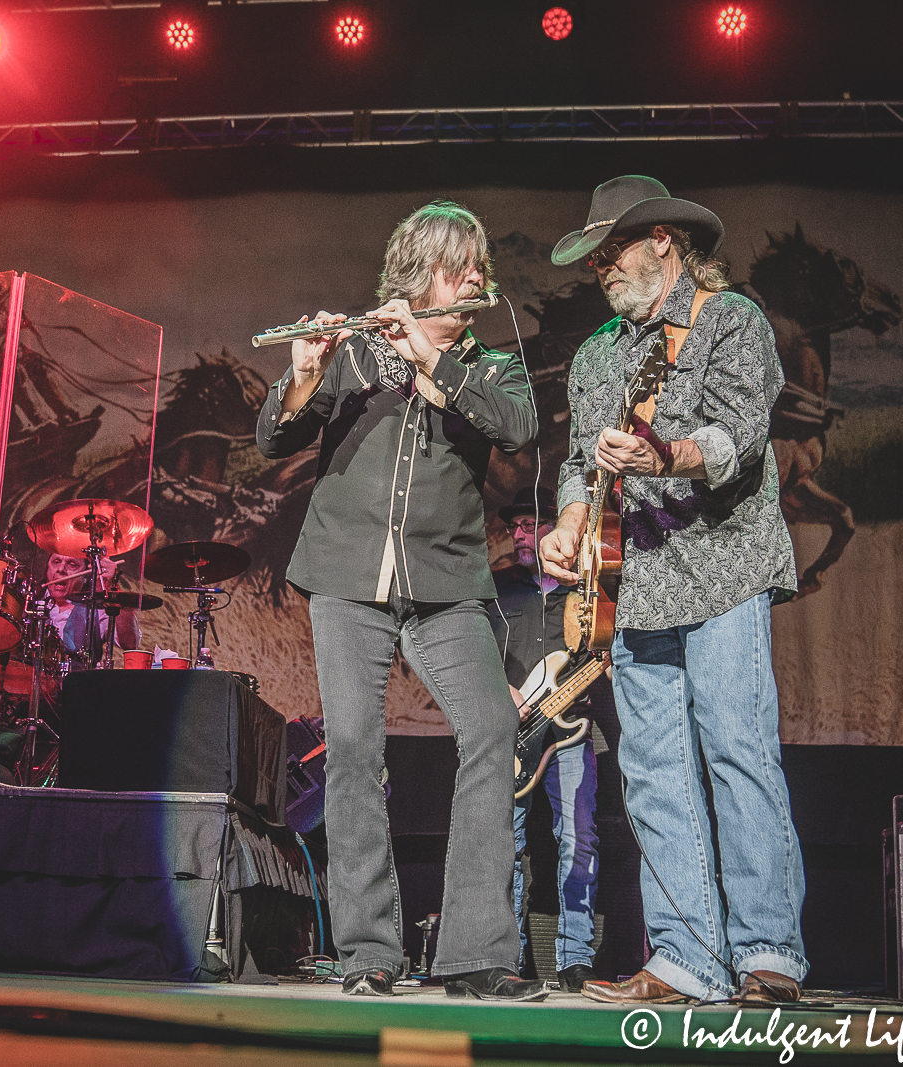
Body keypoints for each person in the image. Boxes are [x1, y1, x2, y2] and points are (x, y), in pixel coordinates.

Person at [256, 201, 544, 1001]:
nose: (477, 280)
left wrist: (432, 359)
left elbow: (516, 427)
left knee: (492, 728)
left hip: (447, 586)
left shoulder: (489, 365)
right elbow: (273, 438)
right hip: (347, 579)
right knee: (352, 749)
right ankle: (368, 952)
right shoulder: (353, 353)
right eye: (461, 267)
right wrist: (308, 367)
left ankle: (477, 952)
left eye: (479, 267)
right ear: (420, 276)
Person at [539, 175, 808, 1006]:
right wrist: (570, 525)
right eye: (593, 258)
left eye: (610, 249)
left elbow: (738, 435)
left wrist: (665, 457)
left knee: (738, 751)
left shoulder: (733, 320)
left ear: (662, 239)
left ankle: (768, 952)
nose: (600, 268)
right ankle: (686, 957)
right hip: (636, 587)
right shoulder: (596, 355)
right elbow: (582, 462)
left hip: (725, 569)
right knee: (653, 772)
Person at [489, 486, 602, 993]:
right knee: (504, 843)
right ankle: (505, 956)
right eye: (511, 527)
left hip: (572, 731)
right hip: (511, 734)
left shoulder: (589, 592)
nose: (516, 534)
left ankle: (575, 957)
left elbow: (602, 652)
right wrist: (501, 689)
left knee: (579, 838)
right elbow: (471, 649)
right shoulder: (496, 588)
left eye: (525, 524)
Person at [43, 551, 137, 661]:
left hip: (81, 677)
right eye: (56, 562)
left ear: (86, 574)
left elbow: (129, 643)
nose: (61, 569)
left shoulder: (97, 608)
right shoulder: (29, 602)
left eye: (72, 565)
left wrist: (113, 587)